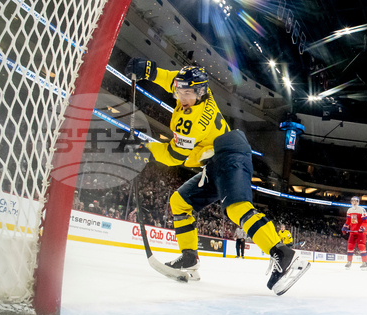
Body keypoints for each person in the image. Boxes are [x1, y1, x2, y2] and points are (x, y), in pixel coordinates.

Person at [125, 58, 309, 294]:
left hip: (230, 154)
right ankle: (189, 258)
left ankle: (283, 254)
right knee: (179, 202)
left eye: (187, 93)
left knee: (236, 207)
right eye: (180, 91)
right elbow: (172, 79)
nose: (182, 97)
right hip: (216, 159)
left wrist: (145, 150)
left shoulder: (189, 122)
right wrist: (148, 70)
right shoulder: (200, 89)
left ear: (199, 93)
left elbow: (174, 156)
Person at [343, 196, 367, 270]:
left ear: (358, 202)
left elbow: (365, 221)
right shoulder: (349, 210)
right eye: (352, 201)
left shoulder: (362, 210)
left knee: (361, 246)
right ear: (351, 202)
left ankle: (364, 263)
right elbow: (348, 221)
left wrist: (362, 228)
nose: (354, 203)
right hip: (353, 232)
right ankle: (349, 262)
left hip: (361, 232)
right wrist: (345, 226)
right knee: (350, 247)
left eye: (355, 201)